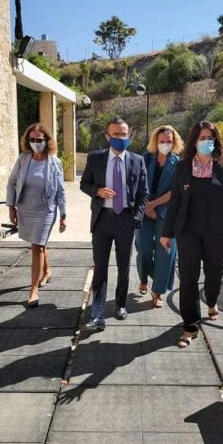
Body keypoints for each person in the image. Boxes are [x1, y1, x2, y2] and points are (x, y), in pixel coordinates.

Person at [160, 121, 223, 348]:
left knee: (214, 273)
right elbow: (175, 201)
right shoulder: (183, 166)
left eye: (210, 138)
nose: (206, 142)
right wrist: (166, 233)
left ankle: (211, 301)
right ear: (194, 141)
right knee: (188, 278)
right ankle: (190, 326)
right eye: (202, 138)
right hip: (188, 231)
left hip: (217, 231)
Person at [80, 117, 149, 330]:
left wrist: (136, 218)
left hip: (126, 219)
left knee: (124, 266)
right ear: (107, 137)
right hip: (102, 219)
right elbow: (84, 183)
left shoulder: (137, 161)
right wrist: (98, 191)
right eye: (116, 134)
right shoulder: (95, 158)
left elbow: (144, 193)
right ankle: (97, 314)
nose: (121, 138)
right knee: (100, 267)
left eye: (124, 134)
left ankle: (120, 305)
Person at [6, 122, 67, 307]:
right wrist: (11, 207)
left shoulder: (55, 163)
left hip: (45, 210)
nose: (35, 143)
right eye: (32, 140)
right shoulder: (23, 159)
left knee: (37, 247)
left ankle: (33, 290)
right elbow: (11, 182)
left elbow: (60, 191)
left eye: (39, 140)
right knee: (37, 245)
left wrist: (63, 214)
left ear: (47, 141)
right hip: (26, 208)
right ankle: (46, 272)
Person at [135, 125, 183, 307]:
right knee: (144, 248)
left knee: (165, 252)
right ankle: (144, 278)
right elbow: (138, 184)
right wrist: (146, 205)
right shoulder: (146, 159)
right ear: (156, 141)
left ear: (174, 142)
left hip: (167, 211)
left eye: (169, 141)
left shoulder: (178, 163)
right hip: (144, 208)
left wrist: (153, 204)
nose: (165, 144)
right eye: (162, 141)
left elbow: (175, 191)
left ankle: (157, 292)